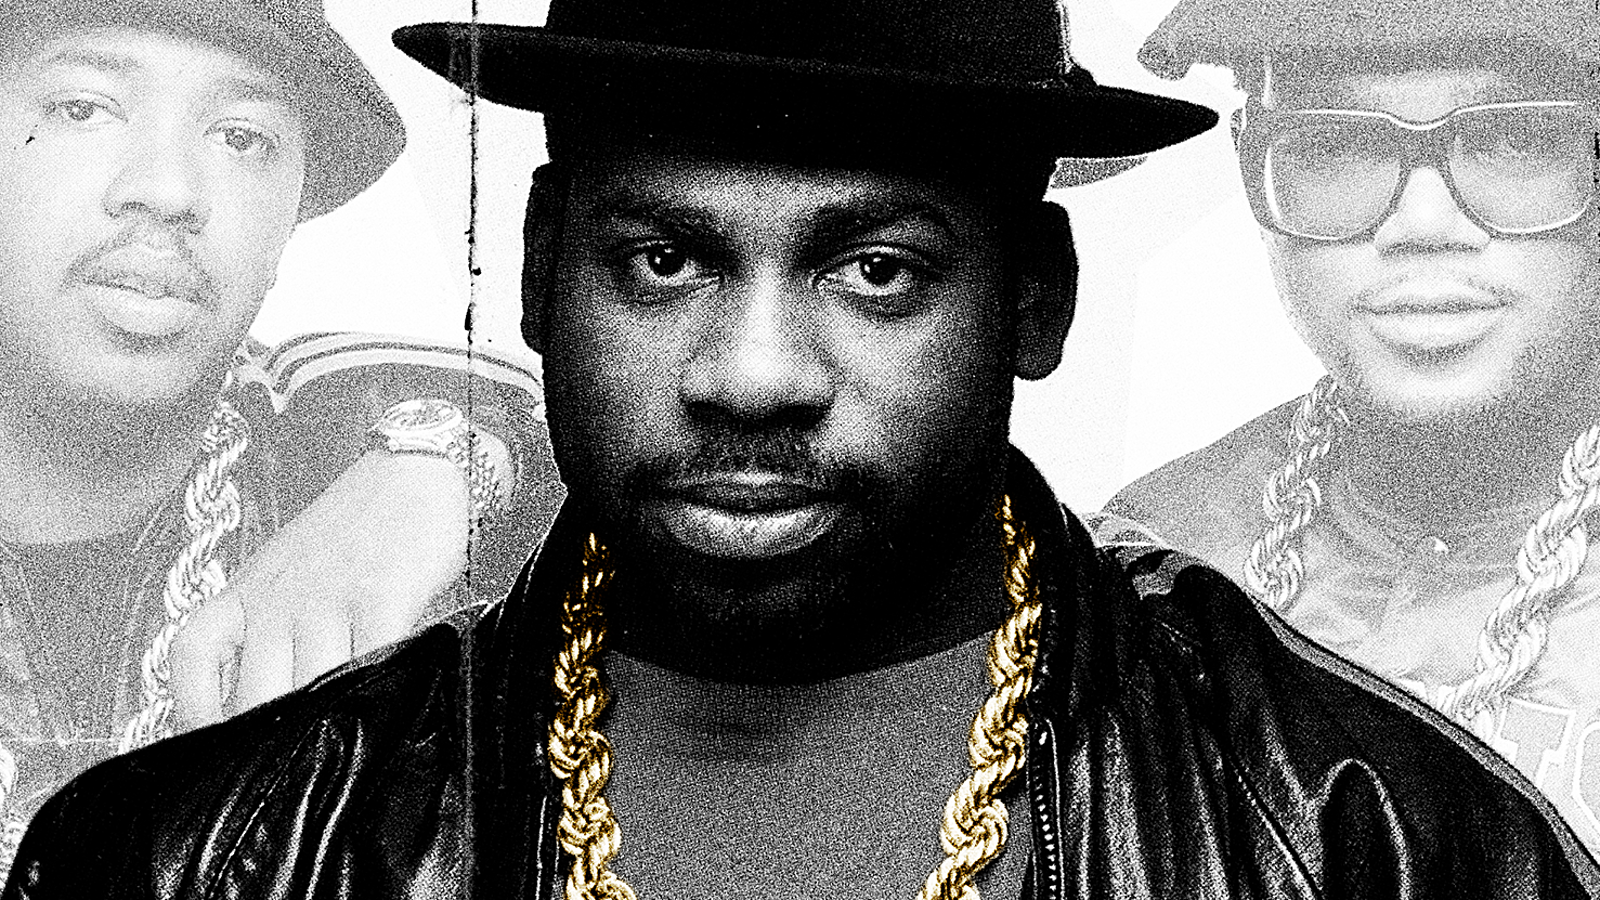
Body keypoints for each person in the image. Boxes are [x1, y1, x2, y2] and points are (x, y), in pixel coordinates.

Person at [9, 0, 1598, 896]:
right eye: (663, 262)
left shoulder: (1380, 842)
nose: (753, 376)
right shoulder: (203, 855)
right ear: (543, 273)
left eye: (876, 271)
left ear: (1033, 303)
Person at [0, 0, 562, 875]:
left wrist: (457, 457)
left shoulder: (370, 482)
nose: (170, 191)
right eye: (83, 108)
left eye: (242, 138)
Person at [1105, 0, 1600, 860]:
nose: (1422, 225)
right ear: (1253, 170)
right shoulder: (1144, 559)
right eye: (1336, 146)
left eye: (1515, 139)